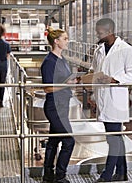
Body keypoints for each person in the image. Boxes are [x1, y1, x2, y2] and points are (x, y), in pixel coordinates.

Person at [88, 18, 132, 182]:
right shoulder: (99, 50)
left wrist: (113, 79)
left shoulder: (126, 49)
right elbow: (95, 73)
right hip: (103, 99)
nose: (98, 34)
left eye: (100, 32)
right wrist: (92, 96)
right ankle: (122, 173)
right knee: (115, 137)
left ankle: (107, 175)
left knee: (113, 138)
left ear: (110, 31)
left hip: (116, 100)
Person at [41, 27, 76, 183]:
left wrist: (74, 81)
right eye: (65, 38)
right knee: (69, 141)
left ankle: (48, 175)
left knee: (54, 141)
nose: (67, 41)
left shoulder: (63, 60)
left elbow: (65, 80)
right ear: (56, 41)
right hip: (54, 106)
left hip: (63, 104)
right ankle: (60, 176)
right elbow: (48, 88)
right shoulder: (49, 62)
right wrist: (66, 84)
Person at [0, 24, 11, 107]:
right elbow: (8, 55)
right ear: (3, 33)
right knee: (3, 82)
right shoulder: (6, 44)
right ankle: (1, 100)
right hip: (4, 64)